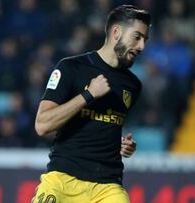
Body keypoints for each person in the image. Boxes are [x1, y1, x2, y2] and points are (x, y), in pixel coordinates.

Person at [32, 5, 151, 203]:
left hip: (107, 186)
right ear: (116, 32)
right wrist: (88, 95)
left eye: (145, 40)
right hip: (63, 179)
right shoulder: (71, 68)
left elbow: (103, 124)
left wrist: (121, 144)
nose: (141, 47)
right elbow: (42, 125)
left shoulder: (133, 85)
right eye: (137, 37)